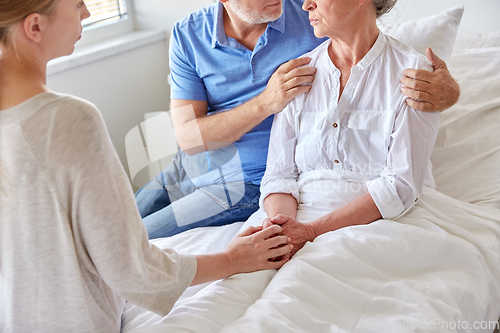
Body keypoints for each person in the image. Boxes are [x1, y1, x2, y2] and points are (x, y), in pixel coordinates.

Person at [0, 1, 292, 332]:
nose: (87, 12)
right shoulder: (70, 119)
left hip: (244, 178)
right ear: (35, 27)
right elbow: (132, 267)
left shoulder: (308, 17)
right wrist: (234, 260)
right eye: (78, 3)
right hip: (75, 319)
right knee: (137, 235)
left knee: (137, 228)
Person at [135, 0, 460, 240]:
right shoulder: (188, 34)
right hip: (193, 163)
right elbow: (189, 140)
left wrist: (451, 90)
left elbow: (366, 41)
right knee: (100, 223)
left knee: (136, 238)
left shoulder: (307, 16)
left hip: (245, 180)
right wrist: (266, 102)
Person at [259, 0, 440, 256]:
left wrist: (310, 232)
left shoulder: (414, 74)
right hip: (292, 220)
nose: (306, 5)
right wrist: (281, 230)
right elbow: (279, 176)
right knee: (230, 288)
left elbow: (401, 185)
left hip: (379, 225)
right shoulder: (298, 72)